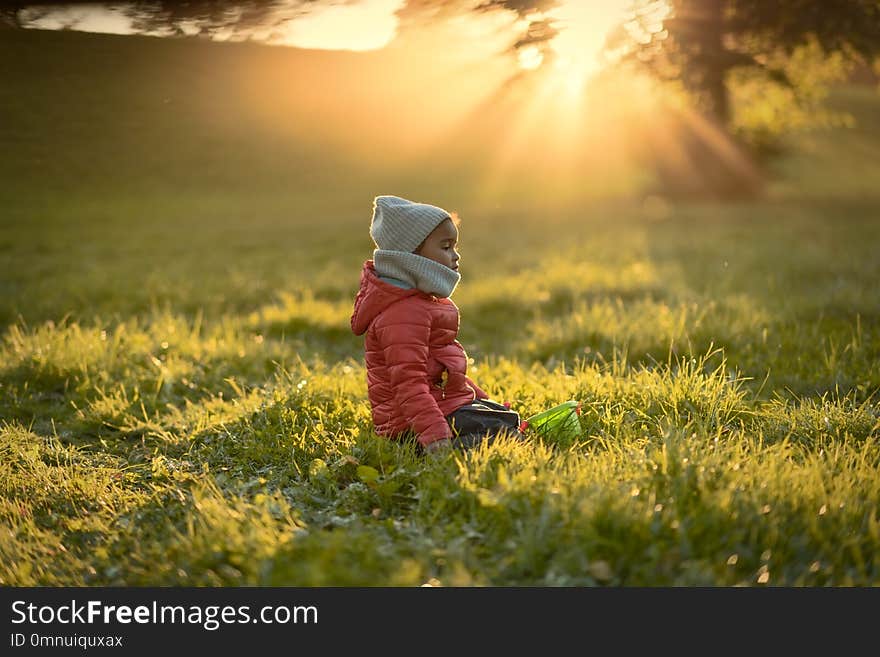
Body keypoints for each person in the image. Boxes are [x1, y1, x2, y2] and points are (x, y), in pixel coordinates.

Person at [350, 195, 523, 455]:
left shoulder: (424, 302)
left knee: (507, 419)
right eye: (445, 247)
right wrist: (434, 437)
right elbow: (409, 385)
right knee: (506, 435)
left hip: (436, 407)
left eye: (454, 246)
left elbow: (448, 371)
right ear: (410, 256)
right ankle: (440, 450)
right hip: (409, 427)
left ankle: (488, 432)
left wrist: (482, 401)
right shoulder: (401, 314)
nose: (456, 256)